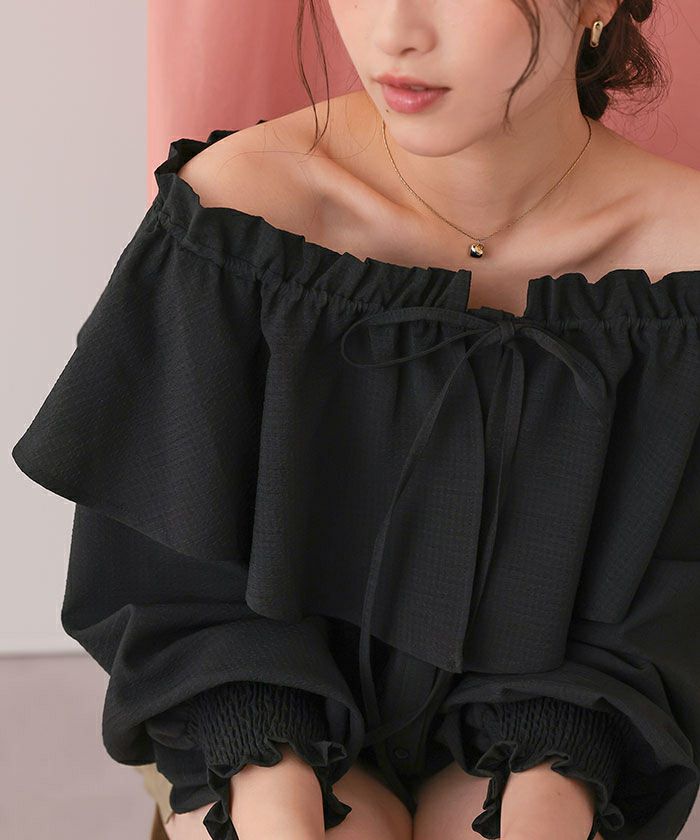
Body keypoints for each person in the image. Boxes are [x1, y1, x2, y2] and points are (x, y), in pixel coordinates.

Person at [10, 1, 700, 839]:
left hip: (570, 708)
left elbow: (666, 607)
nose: (394, 32)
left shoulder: (683, 261)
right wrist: (268, 777)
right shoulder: (241, 208)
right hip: (244, 699)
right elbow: (166, 580)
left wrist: (555, 777)